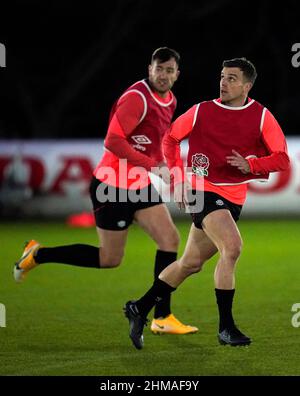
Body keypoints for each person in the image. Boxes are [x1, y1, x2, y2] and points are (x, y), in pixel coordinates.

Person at [13, 47, 198, 336]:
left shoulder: (170, 101)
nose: (163, 75)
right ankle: (39, 254)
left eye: (169, 70)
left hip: (138, 185)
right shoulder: (137, 98)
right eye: (158, 69)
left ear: (177, 74)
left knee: (169, 239)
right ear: (149, 69)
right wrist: (153, 166)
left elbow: (154, 146)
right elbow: (113, 141)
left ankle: (161, 316)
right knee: (110, 259)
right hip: (111, 186)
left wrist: (173, 176)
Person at [123, 57, 290, 349]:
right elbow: (170, 138)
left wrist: (251, 165)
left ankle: (139, 307)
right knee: (233, 247)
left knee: (190, 264)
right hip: (203, 191)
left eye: (232, 78)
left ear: (247, 86)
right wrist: (177, 180)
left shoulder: (261, 116)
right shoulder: (202, 110)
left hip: (234, 198)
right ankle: (226, 328)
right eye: (223, 76)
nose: (224, 82)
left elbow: (282, 158)